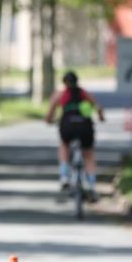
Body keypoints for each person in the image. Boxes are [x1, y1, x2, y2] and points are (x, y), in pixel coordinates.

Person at [45, 71, 106, 200]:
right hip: (85, 126)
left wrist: (49, 120)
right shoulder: (85, 93)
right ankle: (92, 185)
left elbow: (49, 114)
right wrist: (101, 117)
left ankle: (64, 176)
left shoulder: (60, 94)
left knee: (64, 145)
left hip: (67, 126)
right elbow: (99, 108)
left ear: (64, 83)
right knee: (88, 153)